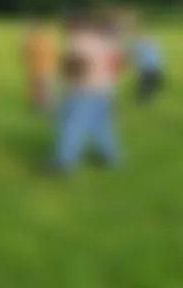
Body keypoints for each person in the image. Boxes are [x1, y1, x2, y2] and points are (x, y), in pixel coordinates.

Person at [53, 12, 122, 172]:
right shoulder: (105, 41)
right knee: (102, 127)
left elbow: (75, 66)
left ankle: (63, 162)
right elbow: (117, 64)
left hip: (82, 90)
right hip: (105, 91)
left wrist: (64, 70)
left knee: (71, 127)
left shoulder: (76, 41)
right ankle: (111, 158)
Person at [21, 21, 56, 113]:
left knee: (43, 88)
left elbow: (25, 53)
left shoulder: (35, 40)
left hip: (42, 68)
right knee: (39, 88)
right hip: (39, 68)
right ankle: (40, 105)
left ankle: (43, 106)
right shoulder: (42, 39)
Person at [128, 17, 164, 104]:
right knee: (149, 85)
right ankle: (150, 96)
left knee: (144, 86)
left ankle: (145, 99)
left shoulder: (137, 43)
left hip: (146, 68)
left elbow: (135, 57)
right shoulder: (152, 40)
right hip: (155, 67)